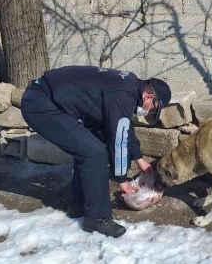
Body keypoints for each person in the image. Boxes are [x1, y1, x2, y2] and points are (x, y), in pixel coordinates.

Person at [20, 66, 171, 238]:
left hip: (47, 99)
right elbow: (119, 138)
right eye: (153, 108)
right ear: (148, 96)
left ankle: (80, 205)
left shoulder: (129, 85)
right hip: (41, 106)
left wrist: (138, 158)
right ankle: (97, 218)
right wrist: (121, 179)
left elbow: (123, 125)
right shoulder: (123, 95)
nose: (149, 112)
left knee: (90, 145)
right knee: (94, 152)